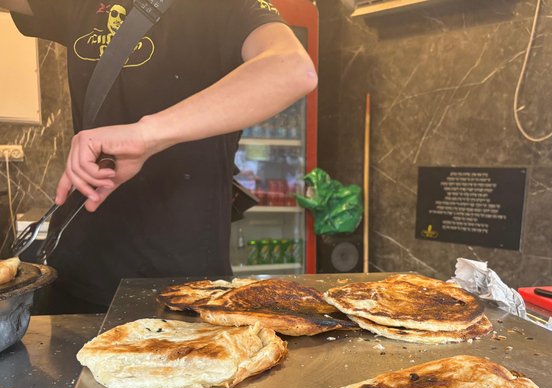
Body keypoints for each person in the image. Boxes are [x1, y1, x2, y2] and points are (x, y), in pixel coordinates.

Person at [3, 0, 317, 314]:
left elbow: (293, 69)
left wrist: (146, 135)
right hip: (77, 270)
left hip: (185, 284)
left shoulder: (224, 6)